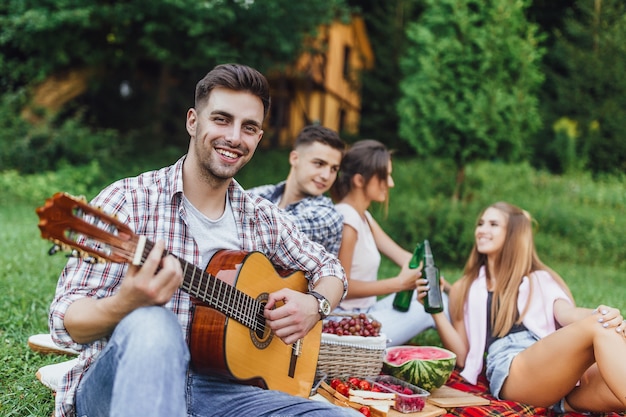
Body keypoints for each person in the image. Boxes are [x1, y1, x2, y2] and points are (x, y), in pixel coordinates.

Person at [48, 63, 361, 417]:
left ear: (258, 138)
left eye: (249, 127)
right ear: (193, 121)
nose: (234, 137)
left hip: (221, 392)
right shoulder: (129, 200)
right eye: (222, 119)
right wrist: (126, 304)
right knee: (153, 323)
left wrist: (315, 305)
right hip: (125, 383)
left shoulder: (261, 216)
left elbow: (330, 268)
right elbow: (65, 322)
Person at [421, 202, 626, 413]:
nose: (482, 230)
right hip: (510, 365)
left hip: (556, 367)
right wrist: (435, 312)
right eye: (481, 223)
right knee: (600, 326)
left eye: (493, 224)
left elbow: (568, 314)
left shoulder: (540, 279)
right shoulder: (465, 287)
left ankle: (566, 404)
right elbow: (462, 356)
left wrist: (602, 314)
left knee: (608, 343)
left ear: (513, 233)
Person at [330, 139, 445, 346]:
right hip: (346, 323)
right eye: (385, 176)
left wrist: (443, 284)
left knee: (443, 298)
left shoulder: (363, 216)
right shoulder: (348, 219)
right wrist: (399, 284)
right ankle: (469, 358)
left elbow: (402, 256)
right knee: (432, 308)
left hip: (365, 313)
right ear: (359, 180)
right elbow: (340, 287)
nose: (390, 183)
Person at [248, 124, 346, 255]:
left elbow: (270, 233)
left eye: (334, 169)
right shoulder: (260, 194)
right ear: (295, 158)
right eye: (319, 164)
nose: (326, 176)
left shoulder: (327, 215)